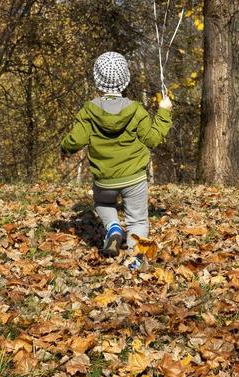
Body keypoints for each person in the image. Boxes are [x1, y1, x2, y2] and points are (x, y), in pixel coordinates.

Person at [60, 51, 172, 272]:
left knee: (103, 204)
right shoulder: (136, 110)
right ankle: (135, 260)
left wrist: (65, 147)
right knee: (137, 221)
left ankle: (112, 229)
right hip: (134, 178)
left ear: (97, 79)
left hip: (105, 179)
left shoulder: (89, 111)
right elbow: (152, 138)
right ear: (126, 79)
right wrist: (164, 113)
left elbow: (76, 139)